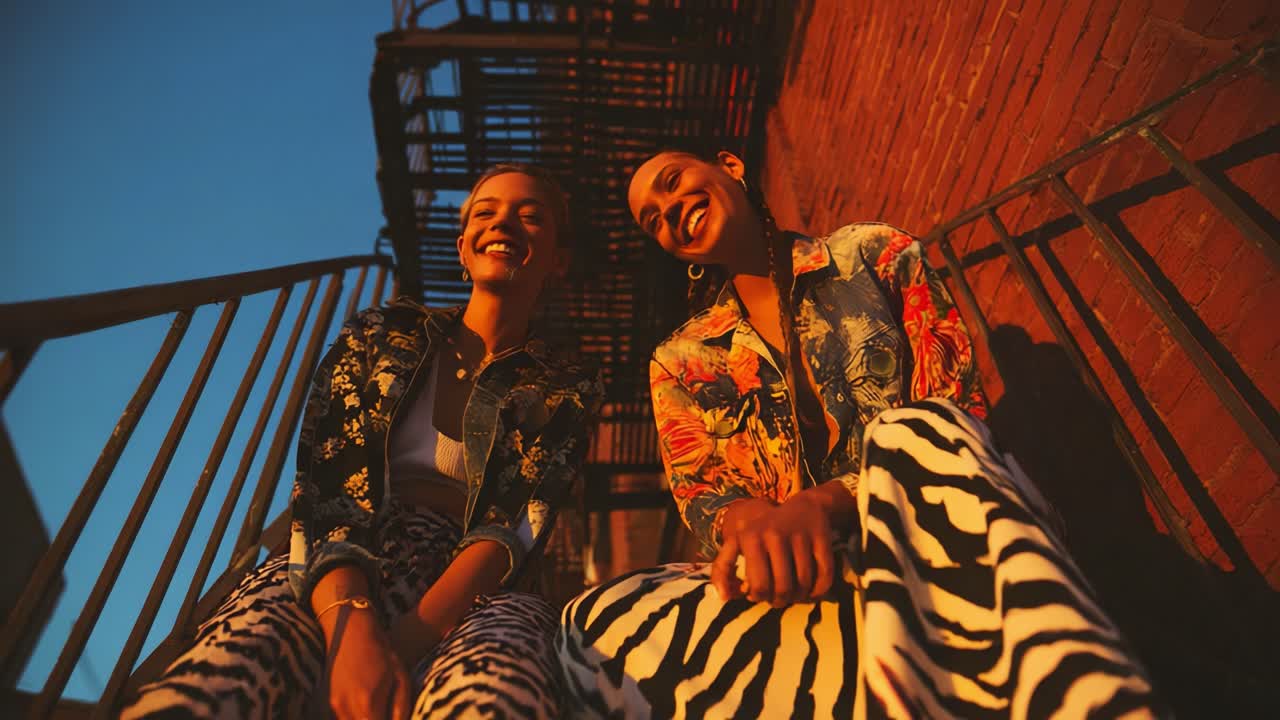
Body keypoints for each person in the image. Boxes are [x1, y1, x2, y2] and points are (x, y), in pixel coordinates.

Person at [556, 149, 1162, 717]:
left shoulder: (872, 253)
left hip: (941, 520)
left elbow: (954, 408)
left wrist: (824, 503)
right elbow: (705, 495)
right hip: (804, 575)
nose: (670, 213)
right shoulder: (681, 360)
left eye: (672, 184)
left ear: (730, 167)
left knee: (909, 432)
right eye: (652, 221)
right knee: (598, 616)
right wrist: (756, 526)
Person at [124, 164, 603, 719]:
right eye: (486, 212)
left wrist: (397, 649)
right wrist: (351, 630)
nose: (505, 224)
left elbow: (511, 530)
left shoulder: (564, 386)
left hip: (479, 590)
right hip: (346, 557)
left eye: (531, 216)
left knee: (495, 698)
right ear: (464, 247)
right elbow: (331, 479)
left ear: (559, 260)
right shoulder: (380, 334)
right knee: (238, 663)